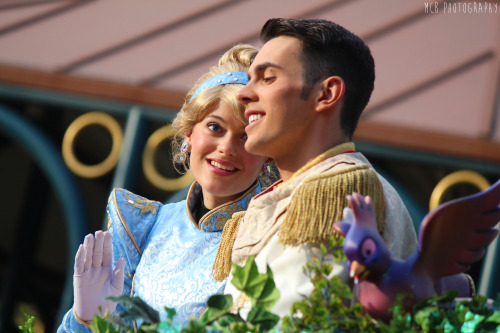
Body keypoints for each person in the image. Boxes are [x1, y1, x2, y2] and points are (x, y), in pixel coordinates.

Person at [213, 18, 419, 319]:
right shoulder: (306, 186)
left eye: (267, 78)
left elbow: (288, 319)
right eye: (249, 79)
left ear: (326, 94)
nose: (244, 94)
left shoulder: (336, 190)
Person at [58, 43, 272, 332]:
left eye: (246, 136)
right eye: (215, 127)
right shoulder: (142, 229)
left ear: (266, 153)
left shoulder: (269, 237)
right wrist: (87, 320)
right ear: (189, 133)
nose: (227, 148)